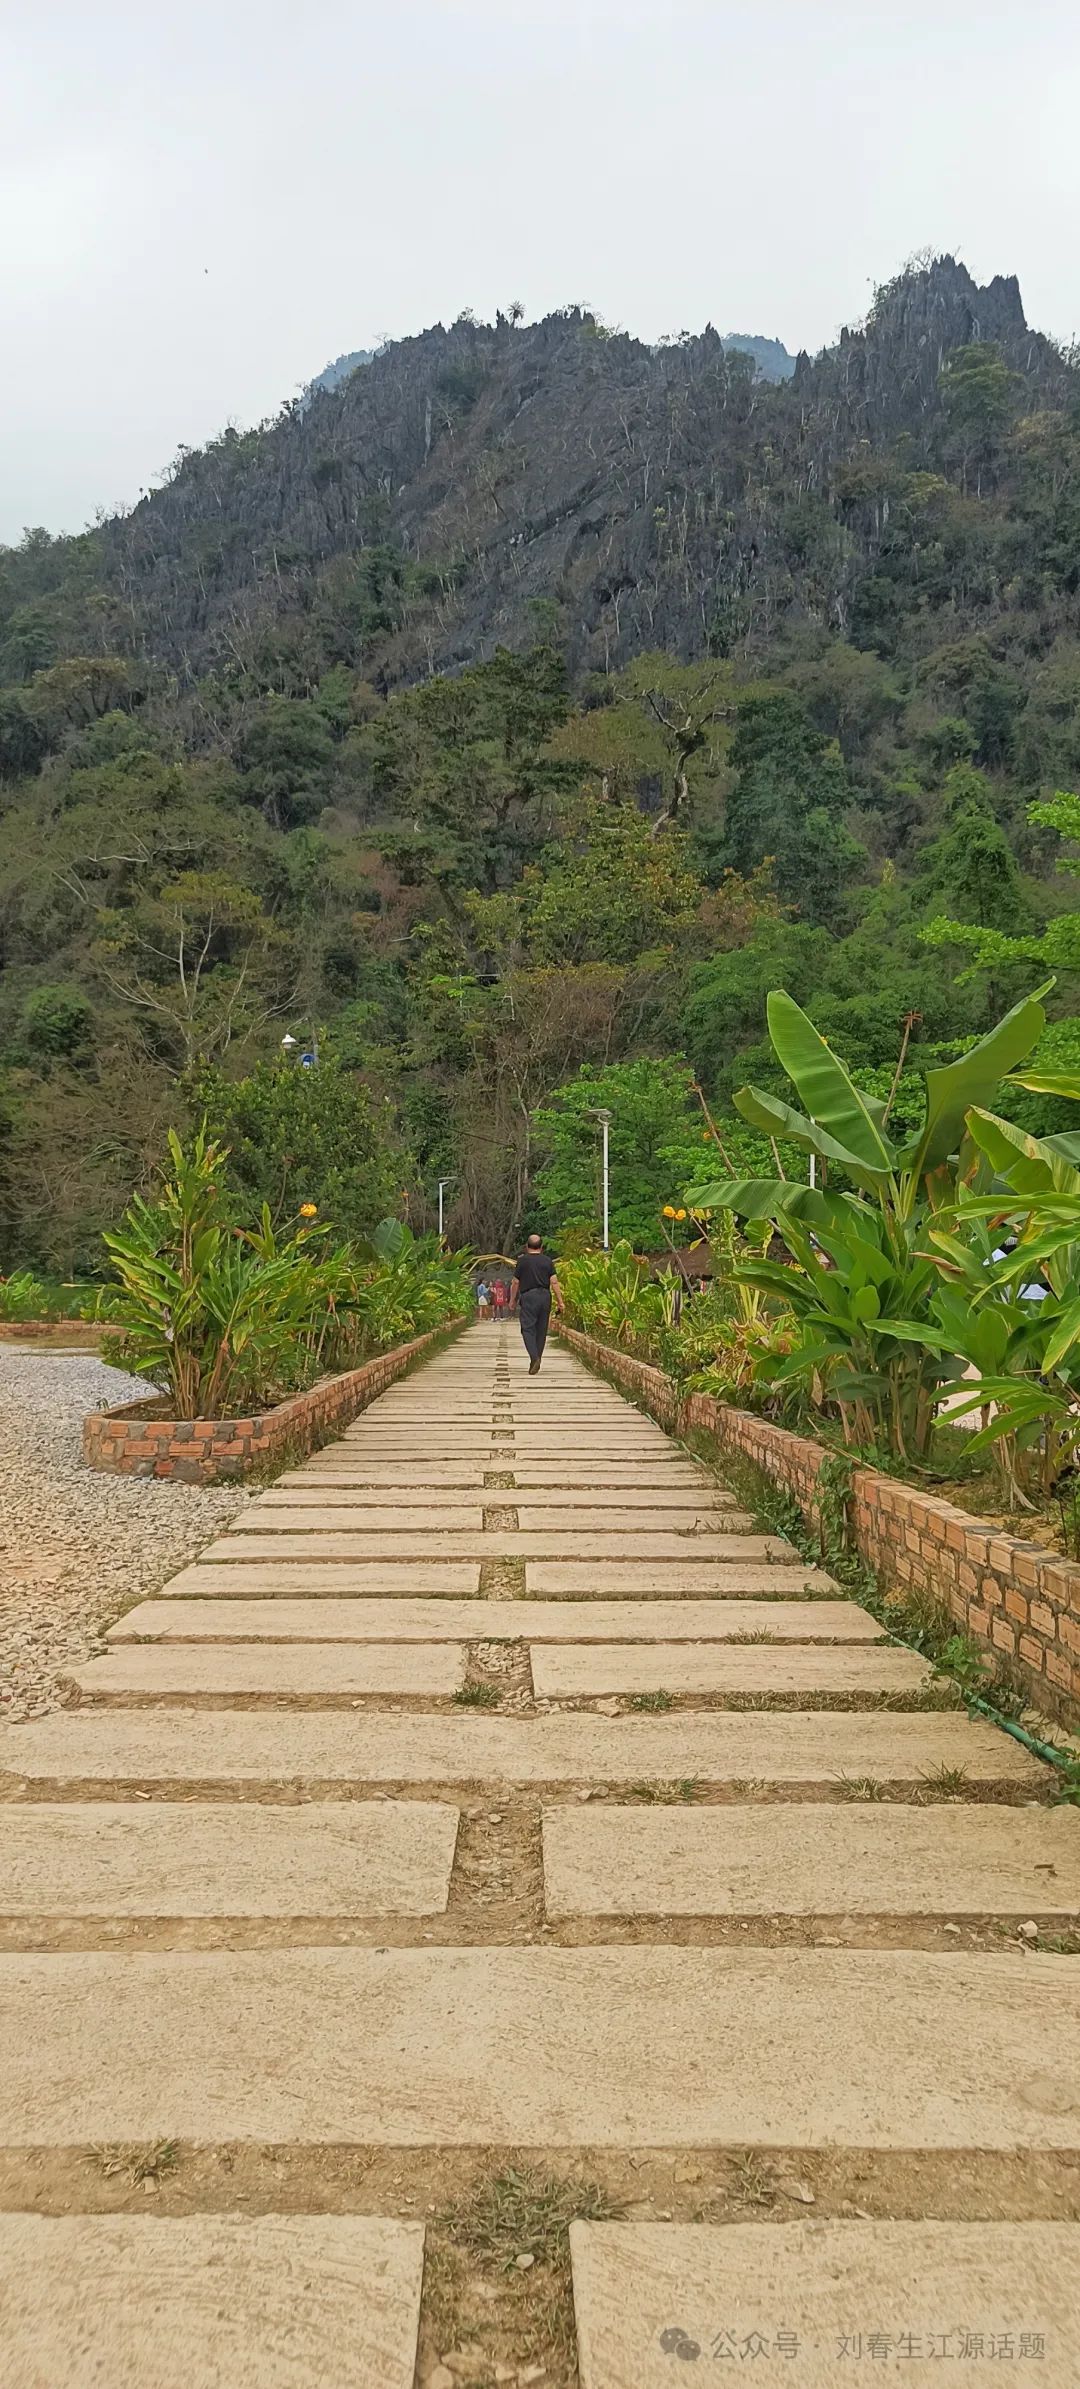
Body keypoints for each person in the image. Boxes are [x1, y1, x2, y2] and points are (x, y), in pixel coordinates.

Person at [509, 1234, 564, 1373]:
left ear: (527, 1246)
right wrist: (560, 1302)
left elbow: (515, 1282)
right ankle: (537, 1357)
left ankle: (534, 1358)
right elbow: (554, 1282)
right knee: (541, 1330)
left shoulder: (522, 1261)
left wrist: (512, 1300)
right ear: (541, 1247)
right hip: (545, 1296)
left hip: (529, 1296)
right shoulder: (547, 1261)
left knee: (527, 1328)